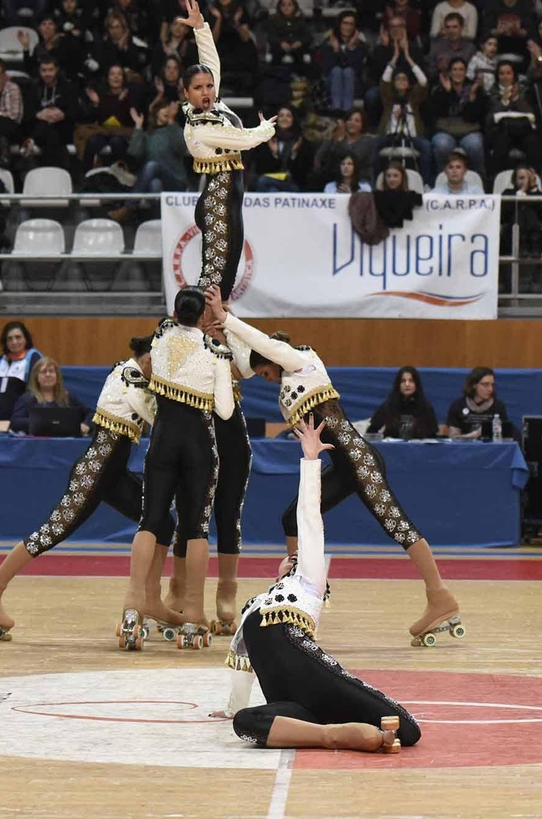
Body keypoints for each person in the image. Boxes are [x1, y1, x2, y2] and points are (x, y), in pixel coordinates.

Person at [211, 291, 462, 645]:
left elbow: (263, 346)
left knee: (399, 526)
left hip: (360, 461)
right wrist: (225, 331)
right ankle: (300, 589)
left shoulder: (301, 361)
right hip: (345, 467)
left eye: (266, 370)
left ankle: (440, 596)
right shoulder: (286, 377)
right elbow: (245, 364)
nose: (265, 378)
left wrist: (228, 318)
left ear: (274, 358)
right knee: (290, 518)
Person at [214, 417, 419, 753]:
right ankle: (331, 733)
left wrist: (310, 462)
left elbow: (308, 519)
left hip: (303, 659)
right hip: (292, 704)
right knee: (245, 724)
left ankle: (338, 726)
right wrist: (233, 708)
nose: (293, 559)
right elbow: (243, 664)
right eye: (290, 559)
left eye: (298, 559)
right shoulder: (256, 604)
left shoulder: (308, 582)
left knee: (405, 728)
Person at [0, 337, 178, 638]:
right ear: (146, 359)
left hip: (112, 475)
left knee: (163, 522)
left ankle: (151, 599)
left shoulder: (129, 372)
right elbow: (154, 415)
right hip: (92, 474)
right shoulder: (129, 376)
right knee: (50, 532)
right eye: (156, 364)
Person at [118, 288, 235, 651]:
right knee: (196, 526)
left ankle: (133, 608)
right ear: (203, 317)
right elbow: (227, 412)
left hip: (162, 441)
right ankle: (195, 617)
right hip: (198, 445)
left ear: (174, 311)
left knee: (149, 521)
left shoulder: (159, 339)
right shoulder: (215, 353)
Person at [177, 0, 275, 301]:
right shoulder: (202, 127)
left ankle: (209, 341)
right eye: (198, 88)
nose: (207, 91)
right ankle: (198, 341)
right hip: (218, 208)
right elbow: (244, 140)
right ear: (186, 92)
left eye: (208, 86)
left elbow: (212, 64)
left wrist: (201, 29)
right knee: (215, 289)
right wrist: (266, 128)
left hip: (225, 202)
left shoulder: (211, 107)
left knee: (222, 287)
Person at [10, 357, 89, 435]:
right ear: (36, 377)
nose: (48, 375)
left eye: (51, 371)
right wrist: (39, 421)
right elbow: (15, 422)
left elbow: (91, 414)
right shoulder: (27, 399)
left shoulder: (67, 397)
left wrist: (86, 424)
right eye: (43, 372)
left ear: (57, 376)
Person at [443, 366, 516, 441]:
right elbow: (454, 438)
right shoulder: (458, 405)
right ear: (474, 385)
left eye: (492, 385)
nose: (490, 389)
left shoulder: (498, 406)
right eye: (486, 384)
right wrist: (474, 435)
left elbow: (505, 438)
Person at [368, 366, 438, 439]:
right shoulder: (389, 405)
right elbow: (371, 431)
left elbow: (432, 436)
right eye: (403, 381)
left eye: (411, 381)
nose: (407, 384)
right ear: (398, 385)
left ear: (416, 384)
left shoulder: (425, 406)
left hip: (418, 449)